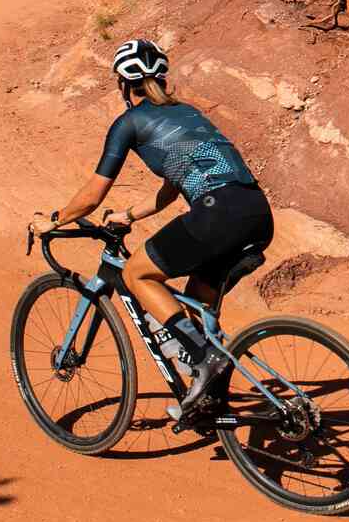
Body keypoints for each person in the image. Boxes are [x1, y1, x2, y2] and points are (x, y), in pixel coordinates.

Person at [32, 39, 275, 418]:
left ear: (123, 85)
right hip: (255, 212)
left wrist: (54, 220)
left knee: (136, 273)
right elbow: (170, 191)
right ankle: (208, 395)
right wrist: (128, 215)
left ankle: (205, 360)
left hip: (218, 213)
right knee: (197, 307)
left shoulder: (129, 123)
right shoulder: (187, 113)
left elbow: (93, 194)